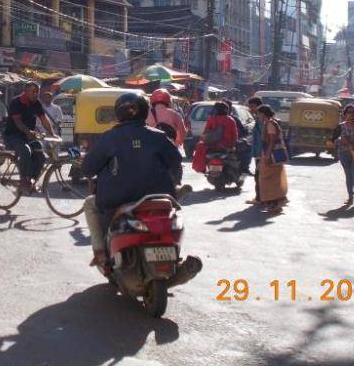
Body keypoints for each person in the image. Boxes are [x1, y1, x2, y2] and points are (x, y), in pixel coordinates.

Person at [80, 92, 183, 270]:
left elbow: (88, 168)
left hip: (118, 199)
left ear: (119, 113)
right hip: (158, 197)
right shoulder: (158, 136)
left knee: (90, 204)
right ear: (145, 111)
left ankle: (101, 253)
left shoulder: (109, 137)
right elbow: (175, 161)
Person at [3, 82, 54, 193]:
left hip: (28, 136)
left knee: (41, 153)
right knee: (26, 151)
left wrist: (52, 134)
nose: (35, 94)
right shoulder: (16, 102)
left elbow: (44, 120)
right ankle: (23, 181)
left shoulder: (36, 104)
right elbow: (17, 121)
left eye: (37, 92)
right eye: (33, 92)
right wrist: (28, 131)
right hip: (12, 136)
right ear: (25, 91)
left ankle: (30, 179)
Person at [191, 101, 239, 174]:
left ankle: (201, 168)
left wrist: (203, 141)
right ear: (227, 110)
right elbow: (235, 136)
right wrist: (233, 146)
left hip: (211, 146)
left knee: (200, 146)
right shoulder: (231, 120)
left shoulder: (211, 119)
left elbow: (205, 133)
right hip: (226, 147)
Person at [257, 104, 289, 214]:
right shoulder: (270, 122)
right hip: (271, 155)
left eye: (259, 114)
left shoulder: (270, 123)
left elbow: (272, 140)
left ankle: (277, 201)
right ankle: (275, 203)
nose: (258, 116)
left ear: (263, 114)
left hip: (271, 156)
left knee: (269, 179)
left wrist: (267, 154)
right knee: (273, 179)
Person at [246, 97, 264, 205]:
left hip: (261, 153)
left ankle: (260, 198)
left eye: (252, 106)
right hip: (259, 152)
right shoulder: (257, 118)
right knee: (259, 176)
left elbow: (263, 136)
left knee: (259, 176)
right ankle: (260, 197)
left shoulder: (261, 119)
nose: (250, 108)